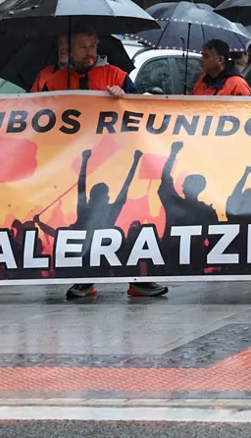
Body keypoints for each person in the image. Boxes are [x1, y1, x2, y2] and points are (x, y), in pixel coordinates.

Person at [32, 28, 165, 299]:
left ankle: (137, 279)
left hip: (114, 162)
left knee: (127, 220)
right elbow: (33, 118)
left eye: (93, 45)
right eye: (82, 47)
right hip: (70, 166)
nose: (90, 52)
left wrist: (124, 98)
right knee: (84, 224)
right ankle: (85, 278)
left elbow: (140, 113)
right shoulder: (52, 81)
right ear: (69, 50)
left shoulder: (117, 76)